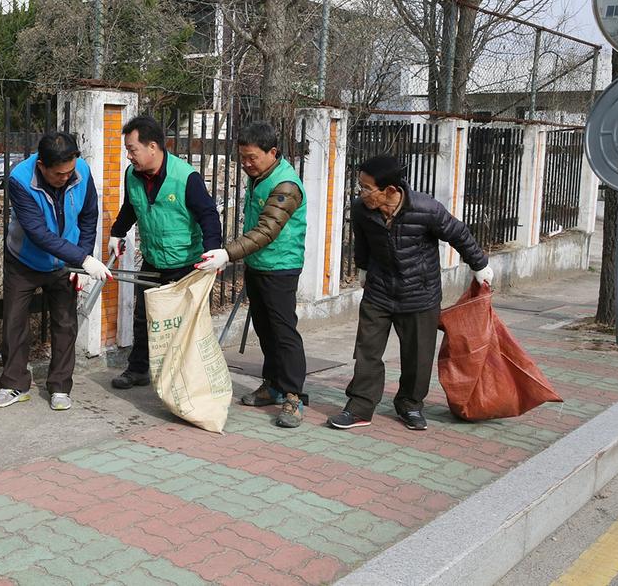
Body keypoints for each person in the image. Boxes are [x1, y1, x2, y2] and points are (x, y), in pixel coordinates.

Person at [327, 155, 494, 432]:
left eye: (367, 188)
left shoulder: (425, 208)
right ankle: (359, 407)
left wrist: (479, 265)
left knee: (418, 355)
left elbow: (458, 233)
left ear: (390, 190)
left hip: (420, 293)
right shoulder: (361, 210)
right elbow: (363, 243)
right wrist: (363, 269)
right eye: (360, 187)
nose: (361, 193)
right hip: (379, 291)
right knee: (367, 351)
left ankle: (410, 404)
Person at [196, 121, 308, 428]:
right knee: (265, 329)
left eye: (251, 158)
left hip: (280, 268)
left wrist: (227, 253)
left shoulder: (286, 185)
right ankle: (272, 385)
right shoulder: (260, 176)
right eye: (242, 157)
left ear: (272, 152)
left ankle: (294, 396)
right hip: (258, 265)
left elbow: (267, 229)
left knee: (284, 333)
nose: (245, 164)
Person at [0, 133, 109, 411]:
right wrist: (83, 258)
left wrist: (82, 262)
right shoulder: (19, 179)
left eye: (70, 171)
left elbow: (89, 215)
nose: (66, 177)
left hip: (66, 263)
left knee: (66, 322)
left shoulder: (81, 171)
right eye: (59, 174)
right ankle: (14, 384)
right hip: (24, 260)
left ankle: (60, 387)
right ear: (41, 165)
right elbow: (38, 233)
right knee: (14, 322)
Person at [109, 115, 222, 389]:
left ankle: (186, 379)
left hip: (186, 263)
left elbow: (208, 216)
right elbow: (131, 206)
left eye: (132, 150)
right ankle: (138, 369)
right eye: (127, 150)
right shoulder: (132, 176)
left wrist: (213, 253)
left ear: (153, 147)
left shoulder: (186, 178)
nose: (129, 156)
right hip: (153, 258)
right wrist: (117, 232)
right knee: (143, 317)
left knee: (184, 325)